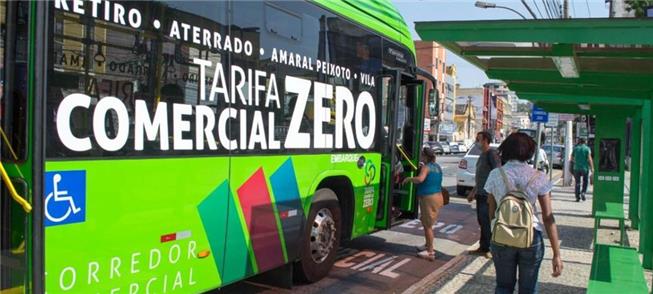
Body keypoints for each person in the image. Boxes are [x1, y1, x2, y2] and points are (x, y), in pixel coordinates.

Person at [484, 132, 563, 293]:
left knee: (503, 286)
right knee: (528, 288)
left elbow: (491, 211)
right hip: (531, 236)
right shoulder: (539, 177)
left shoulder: (495, 175)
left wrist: (494, 234)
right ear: (530, 152)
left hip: (502, 236)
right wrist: (557, 253)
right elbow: (548, 217)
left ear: (505, 150)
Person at [403, 147, 443, 261]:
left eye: (421, 155)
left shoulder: (426, 167)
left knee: (428, 226)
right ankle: (427, 245)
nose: (420, 157)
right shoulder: (437, 167)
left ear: (425, 156)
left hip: (428, 198)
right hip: (437, 197)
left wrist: (409, 179)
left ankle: (430, 252)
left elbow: (420, 179)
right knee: (426, 221)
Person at [467, 131, 500, 258]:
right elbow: (481, 177)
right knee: (482, 221)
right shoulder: (482, 155)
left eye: (478, 139)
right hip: (480, 194)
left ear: (485, 140)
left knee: (488, 222)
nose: (477, 142)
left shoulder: (491, 154)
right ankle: (483, 246)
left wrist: (493, 193)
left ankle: (491, 248)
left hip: (488, 196)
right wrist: (473, 191)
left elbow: (497, 173)